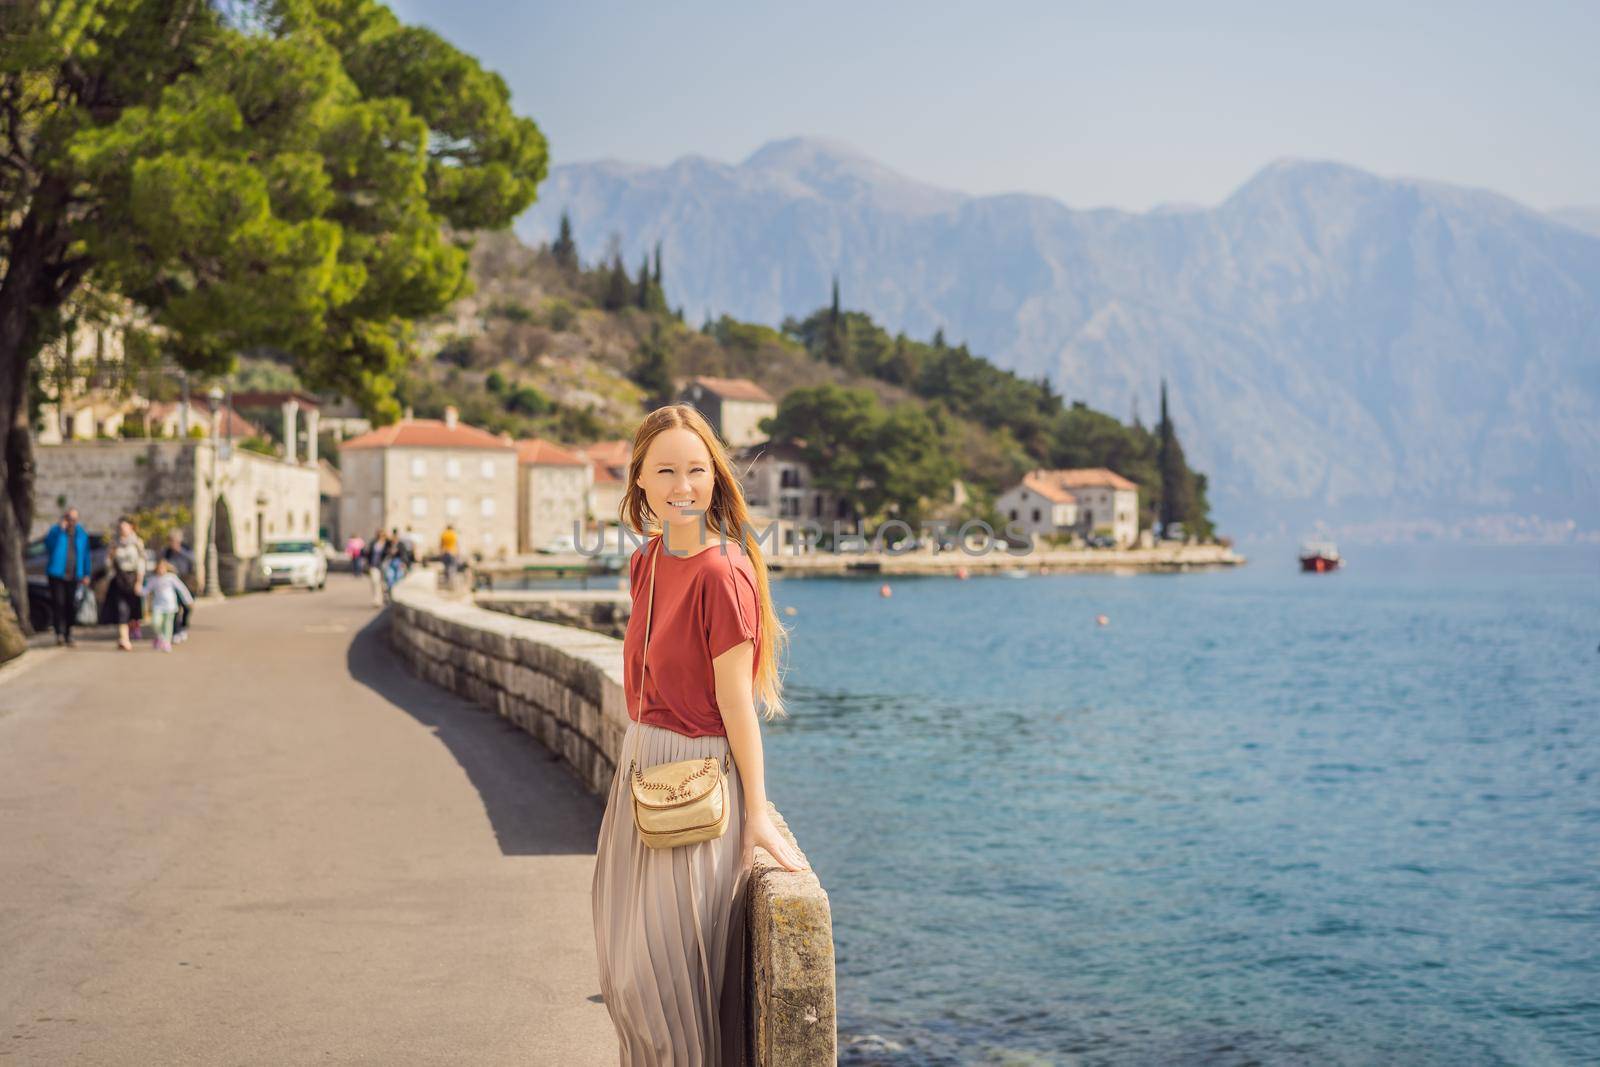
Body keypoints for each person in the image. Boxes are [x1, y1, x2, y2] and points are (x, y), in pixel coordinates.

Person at [592, 403, 808, 1065]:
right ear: (640, 483)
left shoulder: (723, 573)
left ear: (714, 478)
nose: (683, 484)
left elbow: (737, 704)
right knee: (622, 977)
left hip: (696, 782)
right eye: (666, 470)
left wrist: (757, 811)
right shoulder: (647, 563)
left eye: (696, 469)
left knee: (658, 983)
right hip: (642, 771)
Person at [43, 506, 92, 646]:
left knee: (71, 604)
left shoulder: (81, 534)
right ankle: (59, 633)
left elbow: (85, 555)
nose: (72, 521)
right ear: (65, 518)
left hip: (74, 575)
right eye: (69, 518)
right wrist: (60, 530)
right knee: (58, 604)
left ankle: (69, 633)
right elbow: (48, 546)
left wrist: (86, 573)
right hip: (56, 574)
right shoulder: (56, 531)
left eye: (74, 519)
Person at [106, 516, 146, 652]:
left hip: (133, 578)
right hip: (119, 579)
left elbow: (141, 562)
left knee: (133, 611)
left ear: (131, 527)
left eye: (124, 527)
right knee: (121, 610)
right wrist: (111, 556)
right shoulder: (114, 543)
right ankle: (124, 639)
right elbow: (107, 564)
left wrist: (139, 582)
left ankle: (133, 628)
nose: (122, 529)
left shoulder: (137, 543)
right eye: (120, 527)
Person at [145, 559, 194, 653]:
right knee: (155, 623)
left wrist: (188, 600)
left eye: (162, 568)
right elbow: (146, 590)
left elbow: (181, 589)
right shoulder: (153, 579)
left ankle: (166, 642)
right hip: (158, 606)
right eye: (159, 568)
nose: (161, 570)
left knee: (168, 625)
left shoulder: (171, 578)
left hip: (170, 606)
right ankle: (160, 637)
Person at [160, 529, 196, 644]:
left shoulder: (186, 549)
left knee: (187, 607)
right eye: (170, 541)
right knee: (174, 607)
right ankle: (176, 630)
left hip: (187, 581)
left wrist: (180, 551)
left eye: (174, 541)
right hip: (173, 581)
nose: (172, 543)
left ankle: (184, 625)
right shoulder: (166, 552)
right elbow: (162, 563)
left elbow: (193, 560)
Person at [365, 529, 388, 606]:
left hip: (385, 566)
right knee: (375, 582)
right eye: (379, 535)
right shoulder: (373, 543)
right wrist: (368, 564)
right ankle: (376, 599)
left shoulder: (388, 544)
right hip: (374, 565)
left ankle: (383, 599)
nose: (380, 537)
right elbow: (368, 554)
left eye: (382, 535)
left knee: (383, 584)